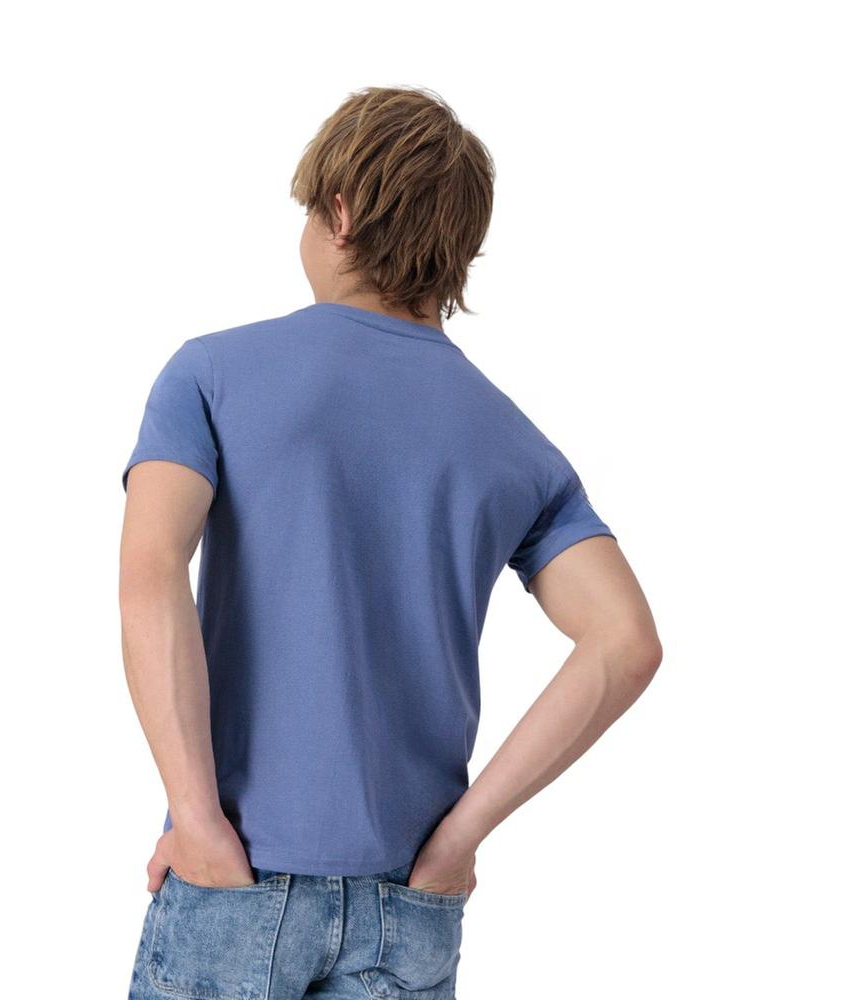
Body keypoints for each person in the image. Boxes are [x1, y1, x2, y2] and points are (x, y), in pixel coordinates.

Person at [119, 85, 662, 1000]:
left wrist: (196, 819)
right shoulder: (514, 441)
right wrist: (460, 838)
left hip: (237, 871)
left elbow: (150, 573)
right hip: (408, 901)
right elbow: (625, 641)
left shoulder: (211, 374)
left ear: (339, 213)